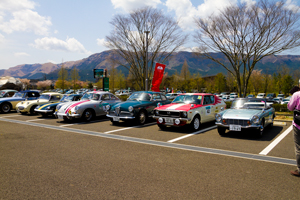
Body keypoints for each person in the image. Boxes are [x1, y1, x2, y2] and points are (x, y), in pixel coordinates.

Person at [287, 86, 300, 177]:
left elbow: (290, 108)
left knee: (298, 148)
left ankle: (299, 169)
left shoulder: (297, 95)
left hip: (298, 125)